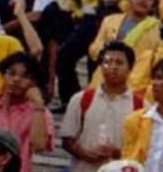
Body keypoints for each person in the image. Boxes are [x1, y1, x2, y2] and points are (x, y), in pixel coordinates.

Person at [61, 41, 144, 172]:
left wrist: (117, 153)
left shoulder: (141, 106)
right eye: (108, 62)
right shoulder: (81, 99)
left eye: (119, 63)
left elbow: (144, 148)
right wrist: (84, 153)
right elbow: (67, 140)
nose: (113, 67)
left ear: (131, 67)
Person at [0, 52, 54, 172]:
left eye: (25, 76)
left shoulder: (40, 113)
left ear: (34, 82)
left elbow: (39, 145)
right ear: (3, 75)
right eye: (11, 73)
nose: (16, 79)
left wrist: (39, 105)